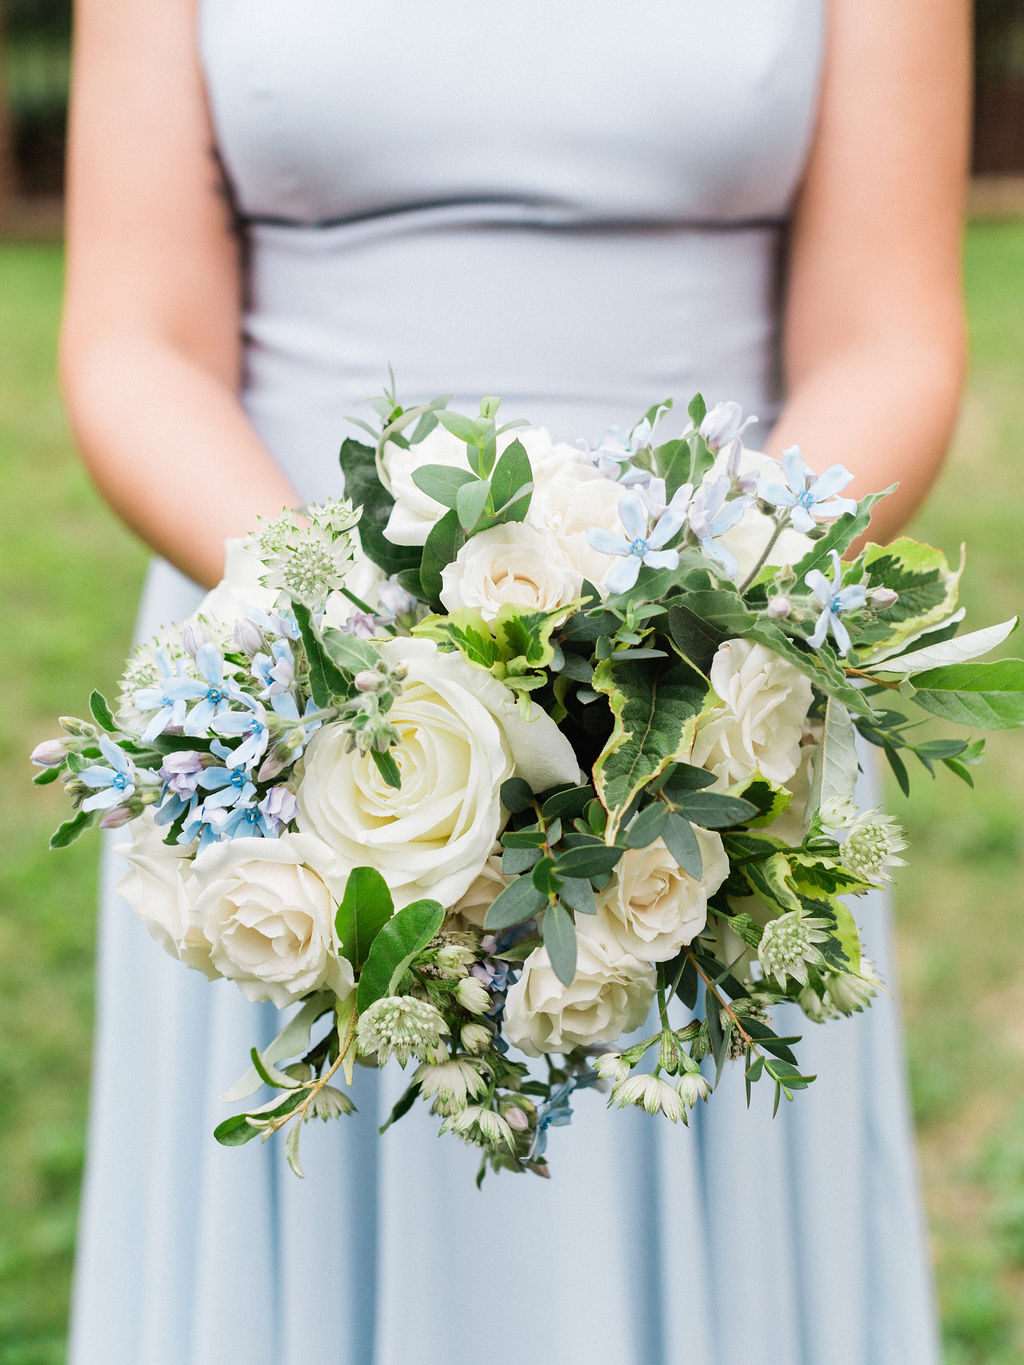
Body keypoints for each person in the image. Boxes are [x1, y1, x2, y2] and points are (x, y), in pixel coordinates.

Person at [60, 2, 969, 1362]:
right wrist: (351, 651)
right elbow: (137, 342)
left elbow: (887, 340)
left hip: (707, 684)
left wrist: (683, 642)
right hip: (283, 671)